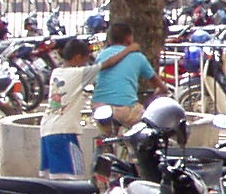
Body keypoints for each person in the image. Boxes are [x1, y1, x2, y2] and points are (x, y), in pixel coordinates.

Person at [39, 38, 98, 179]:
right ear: (78, 57)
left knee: (56, 177)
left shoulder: (57, 72)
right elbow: (107, 64)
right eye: (86, 58)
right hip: (63, 132)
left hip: (48, 129)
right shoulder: (78, 74)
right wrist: (129, 50)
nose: (86, 62)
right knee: (74, 177)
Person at [93, 22, 159, 127]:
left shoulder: (101, 55)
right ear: (129, 38)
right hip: (125, 107)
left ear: (110, 40)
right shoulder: (137, 56)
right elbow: (157, 83)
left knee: (107, 135)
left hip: (100, 108)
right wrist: (160, 91)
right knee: (148, 124)